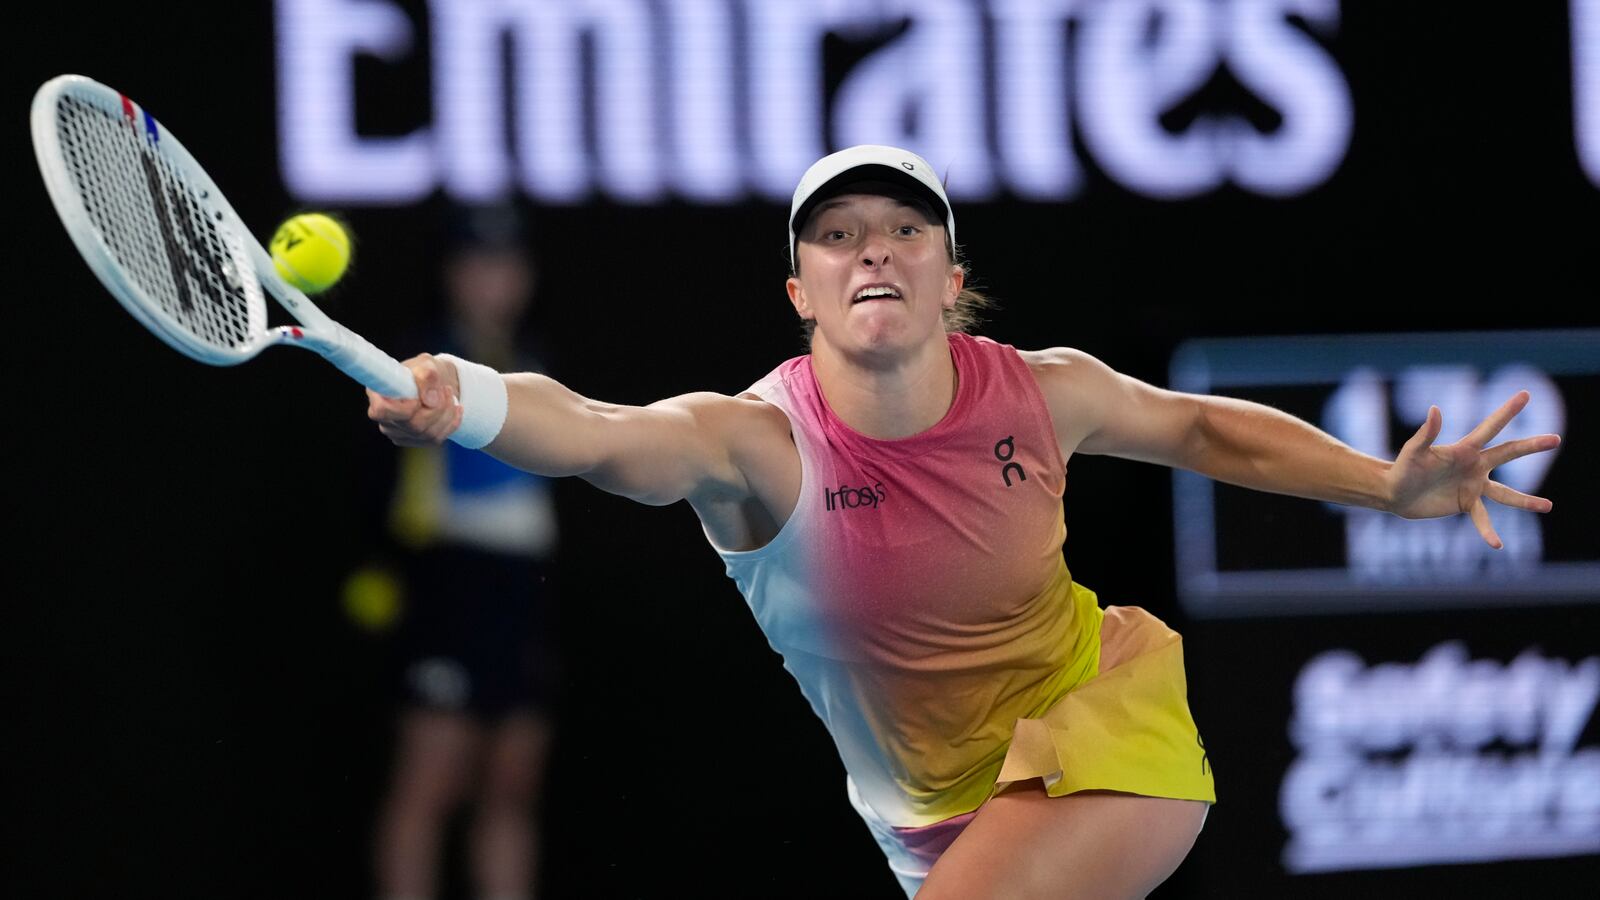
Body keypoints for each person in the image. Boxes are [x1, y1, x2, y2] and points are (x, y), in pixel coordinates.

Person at [366, 146, 1561, 897]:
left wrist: (1385, 485)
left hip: (1103, 743)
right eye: (836, 235)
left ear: (949, 276)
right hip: (923, 820)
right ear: (801, 292)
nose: (870, 247)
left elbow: (1199, 429)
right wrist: (462, 398)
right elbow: (588, 428)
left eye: (903, 228)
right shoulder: (751, 446)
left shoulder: (1044, 391)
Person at [369, 202, 561, 900]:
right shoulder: (416, 368)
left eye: (507, 264)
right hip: (448, 585)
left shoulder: (535, 360)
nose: (495, 281)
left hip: (522, 589)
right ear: (453, 274)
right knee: (430, 779)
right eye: (478, 264)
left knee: (511, 779)